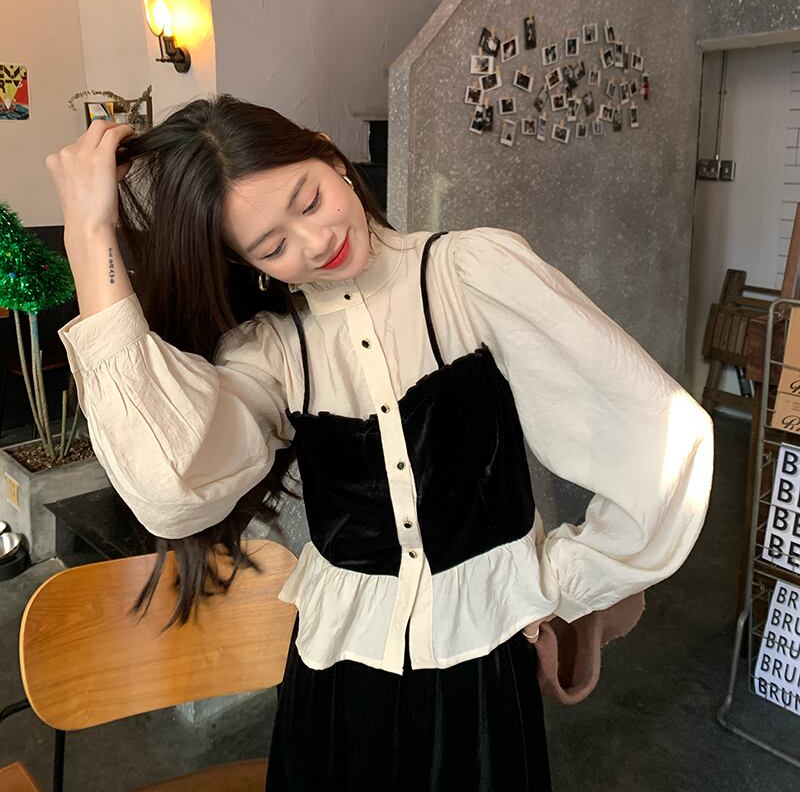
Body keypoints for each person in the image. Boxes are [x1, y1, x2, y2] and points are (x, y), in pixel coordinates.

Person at [45, 94, 714, 791]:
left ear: (331, 156)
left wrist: (562, 582)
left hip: (480, 669)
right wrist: (89, 237)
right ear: (252, 267)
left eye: (309, 200)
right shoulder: (271, 352)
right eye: (272, 247)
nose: (314, 242)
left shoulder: (469, 275)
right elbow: (172, 488)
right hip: (339, 683)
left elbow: (657, 432)